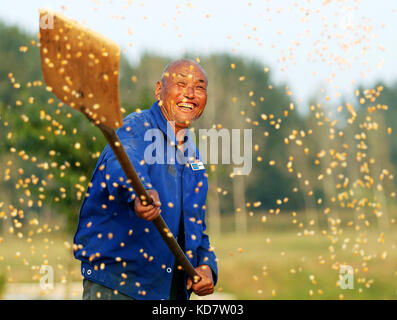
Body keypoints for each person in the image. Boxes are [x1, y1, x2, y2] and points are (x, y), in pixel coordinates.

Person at [73, 59, 218, 300]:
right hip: (119, 287)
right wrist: (140, 192)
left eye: (199, 87)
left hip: (168, 293)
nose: (190, 94)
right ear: (158, 89)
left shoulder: (193, 156)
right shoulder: (136, 127)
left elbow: (195, 225)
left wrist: (206, 264)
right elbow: (123, 164)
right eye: (180, 83)